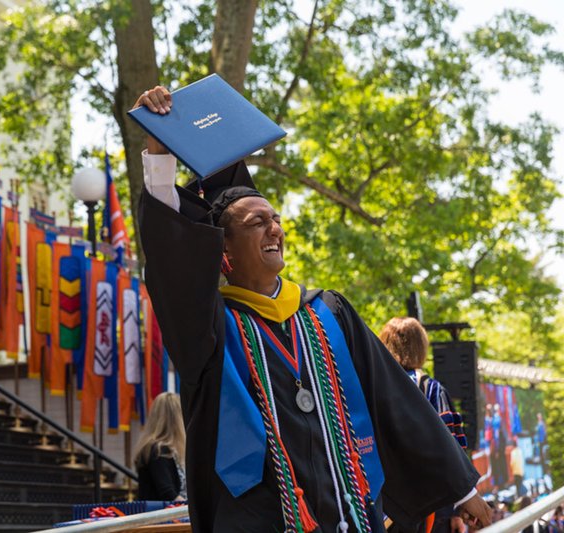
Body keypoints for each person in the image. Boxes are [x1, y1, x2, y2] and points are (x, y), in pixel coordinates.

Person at [134, 85, 491, 533]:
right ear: (222, 249)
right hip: (264, 518)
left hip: (353, 512)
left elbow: (394, 398)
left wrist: (461, 489)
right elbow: (175, 266)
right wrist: (159, 152)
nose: (275, 229)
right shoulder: (211, 328)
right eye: (257, 222)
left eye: (276, 218)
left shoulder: (329, 313)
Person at [379, 317, 468, 533]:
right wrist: (456, 511)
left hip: (385, 507)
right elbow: (452, 454)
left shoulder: (374, 387)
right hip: (430, 508)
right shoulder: (432, 390)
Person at [133, 392, 188, 501]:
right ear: (176, 419)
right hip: (165, 515)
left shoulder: (169, 449)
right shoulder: (158, 450)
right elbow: (167, 493)